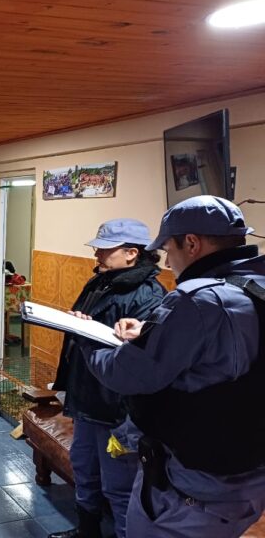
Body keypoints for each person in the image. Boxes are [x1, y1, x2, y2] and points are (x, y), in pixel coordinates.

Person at [80, 195, 265, 537]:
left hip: (194, 485)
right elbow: (224, 353)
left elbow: (128, 374)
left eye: (168, 249)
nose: (167, 261)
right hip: (248, 474)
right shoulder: (252, 286)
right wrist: (150, 332)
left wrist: (87, 340)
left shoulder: (197, 299)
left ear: (191, 243)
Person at [49, 219, 166, 538]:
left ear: (131, 253)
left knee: (119, 485)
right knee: (84, 468)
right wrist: (78, 322)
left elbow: (137, 358)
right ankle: (87, 531)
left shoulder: (149, 295)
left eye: (105, 249)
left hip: (116, 407)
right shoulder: (100, 282)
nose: (97, 254)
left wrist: (90, 334)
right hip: (87, 395)